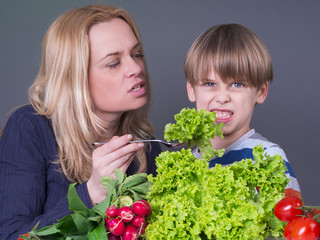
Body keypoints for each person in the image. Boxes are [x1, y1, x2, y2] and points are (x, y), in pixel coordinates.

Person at [0, 4, 161, 239]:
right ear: (75, 78)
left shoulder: (147, 144)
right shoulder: (29, 128)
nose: (136, 68)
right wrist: (90, 193)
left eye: (137, 54)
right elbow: (11, 234)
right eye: (114, 63)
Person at [184, 23, 301, 198]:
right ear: (192, 90)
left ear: (261, 92)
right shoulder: (186, 163)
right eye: (210, 84)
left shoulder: (269, 158)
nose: (222, 97)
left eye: (237, 84)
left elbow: (293, 219)